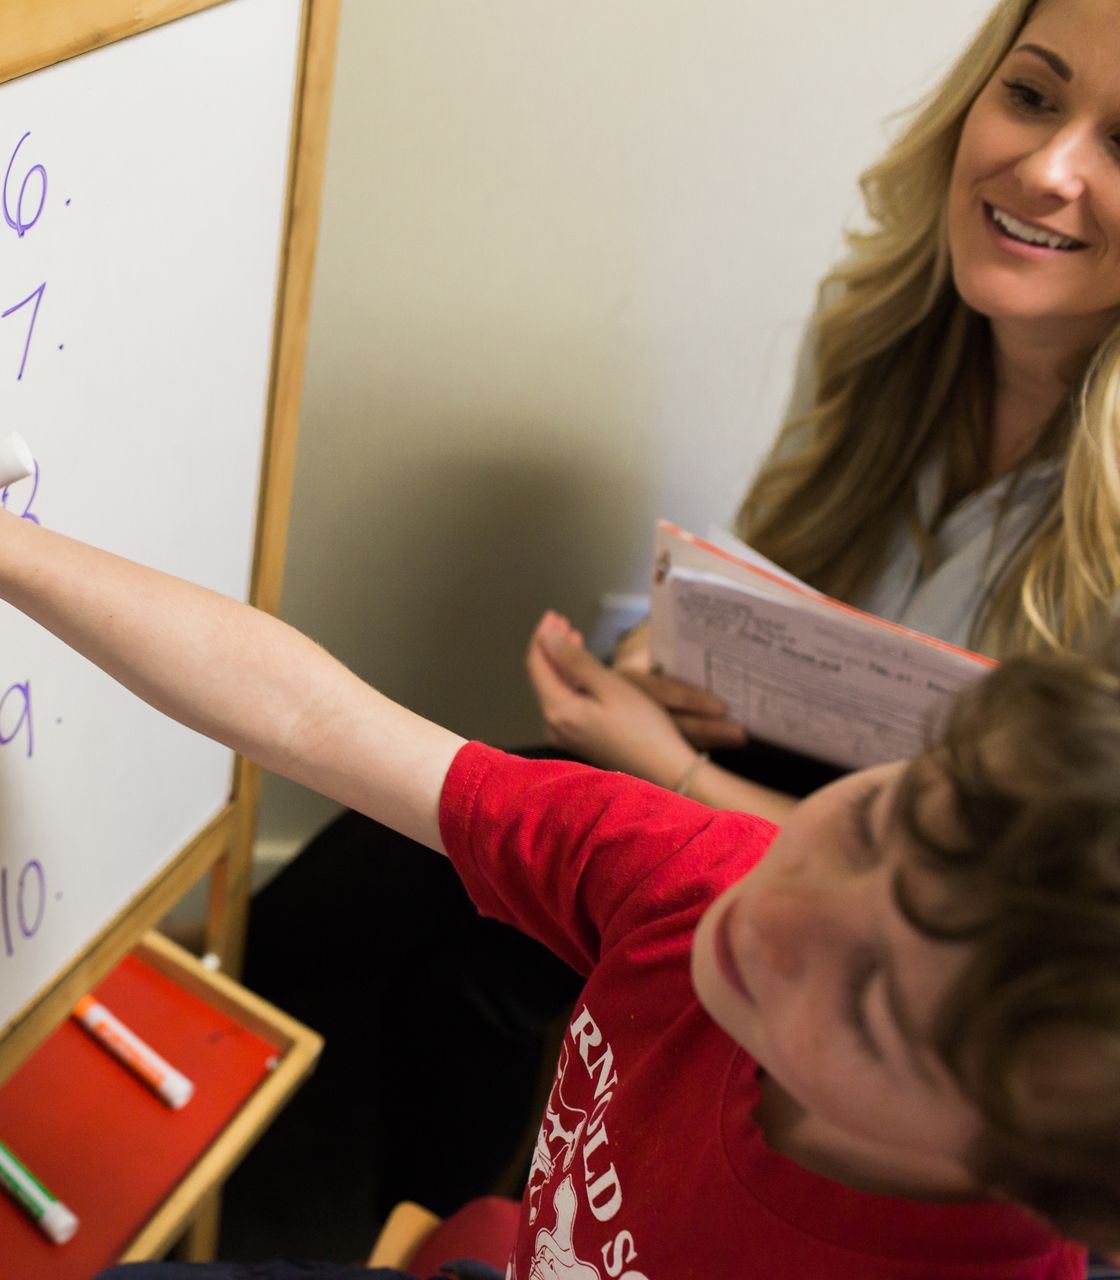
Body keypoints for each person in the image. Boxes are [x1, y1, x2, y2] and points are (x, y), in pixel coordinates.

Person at [0, 400, 1115, 1277]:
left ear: (1006, 1169)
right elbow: (320, 721)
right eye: (878, 822)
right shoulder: (707, 878)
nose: (785, 912)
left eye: (873, 1004)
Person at [237, 0, 1120, 1230]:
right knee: (352, 906)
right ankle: (402, 1220)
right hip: (766, 791)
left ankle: (444, 1223)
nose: (1047, 168)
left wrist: (674, 768)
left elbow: (957, 908)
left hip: (917, 934)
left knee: (473, 971)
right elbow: (795, 596)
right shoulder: (884, 337)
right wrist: (685, 660)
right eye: (1030, 95)